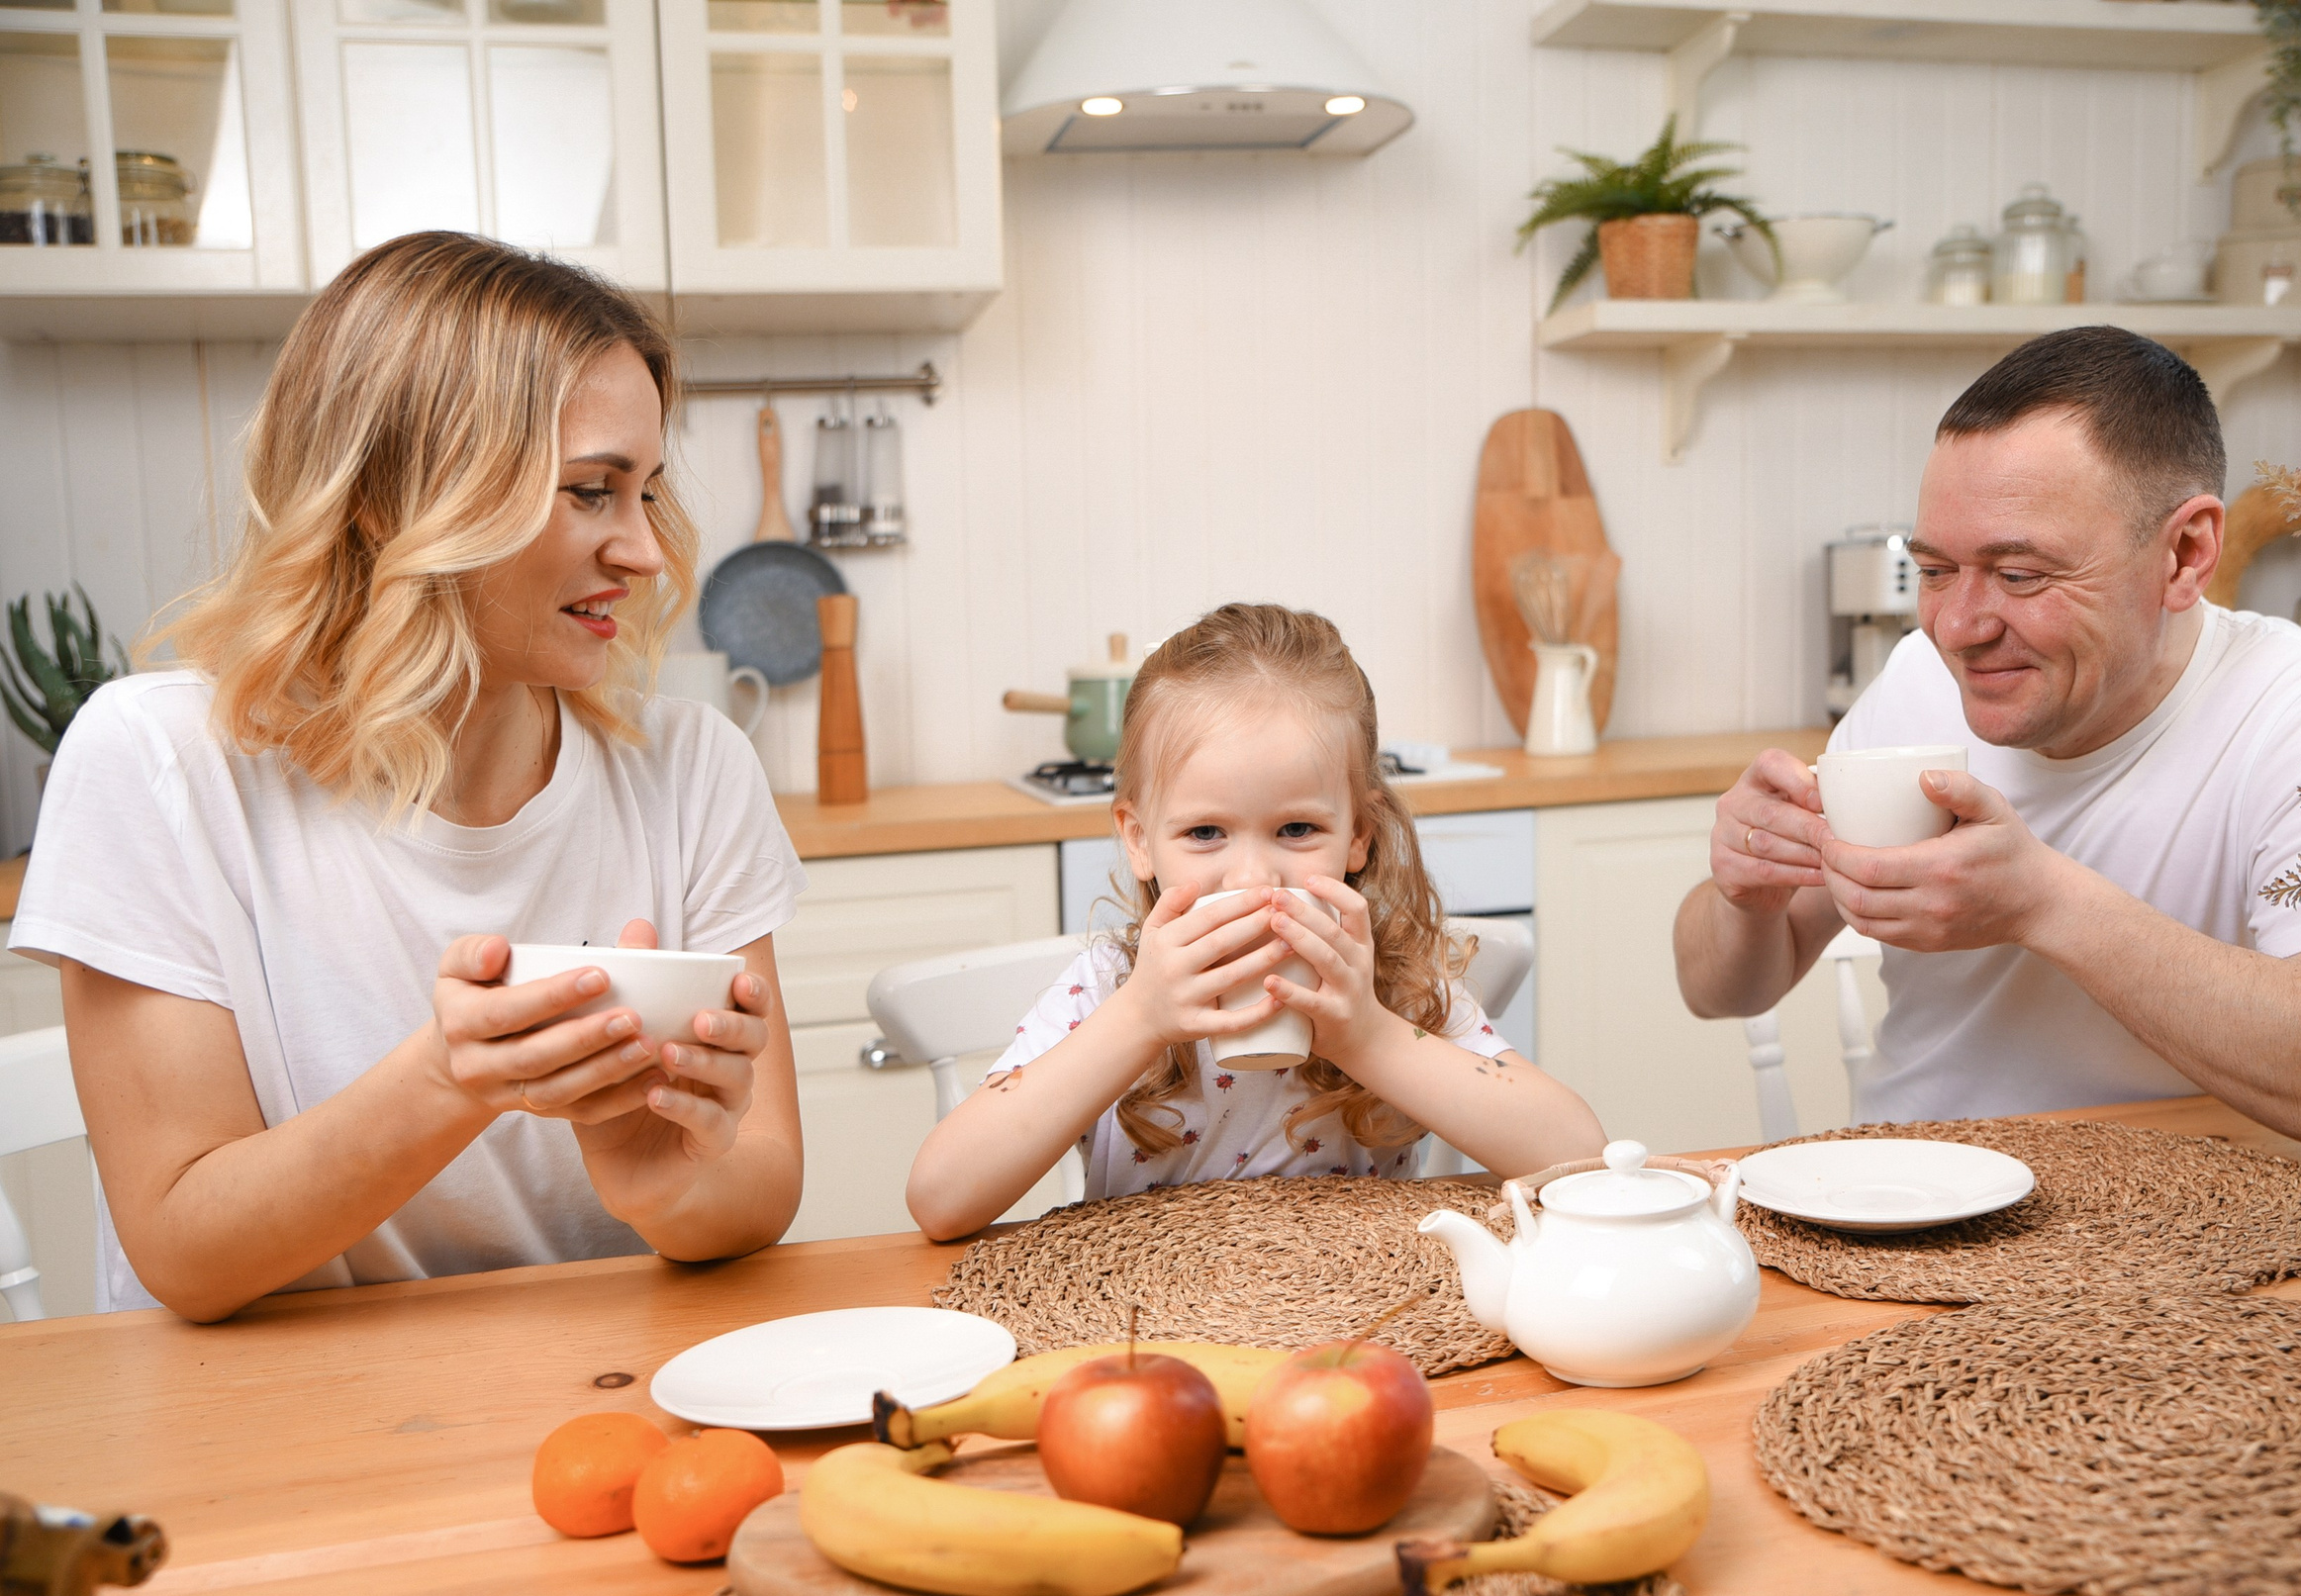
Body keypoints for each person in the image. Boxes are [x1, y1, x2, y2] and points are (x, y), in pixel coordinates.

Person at [11, 233, 810, 1322]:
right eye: (589, 492)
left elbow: (760, 1185)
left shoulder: (690, 770)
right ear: (395, 499)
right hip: (257, 1422)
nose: (649, 553)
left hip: (590, 1388)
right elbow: (181, 1246)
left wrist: (669, 1182)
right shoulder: (158, 765)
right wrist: (449, 1079)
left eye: (646, 493)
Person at [1672, 327, 2301, 1158]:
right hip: (1905, 1198)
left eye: (2020, 574)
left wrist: (2045, 903)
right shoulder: (1917, 684)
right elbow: (1718, 989)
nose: (1960, 627)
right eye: (1935, 571)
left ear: (2186, 554)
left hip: (2194, 1224)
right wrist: (1744, 899)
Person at [905, 604, 1603, 1240]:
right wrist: (1140, 1019)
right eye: (1206, 832)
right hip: (1147, 1323)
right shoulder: (1110, 987)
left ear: (1357, 833)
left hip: (1355, 1319)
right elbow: (939, 1198)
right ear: (1140, 837)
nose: (1252, 878)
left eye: (1296, 828)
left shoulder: (1390, 983)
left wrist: (1368, 1035)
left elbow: (1580, 1155)